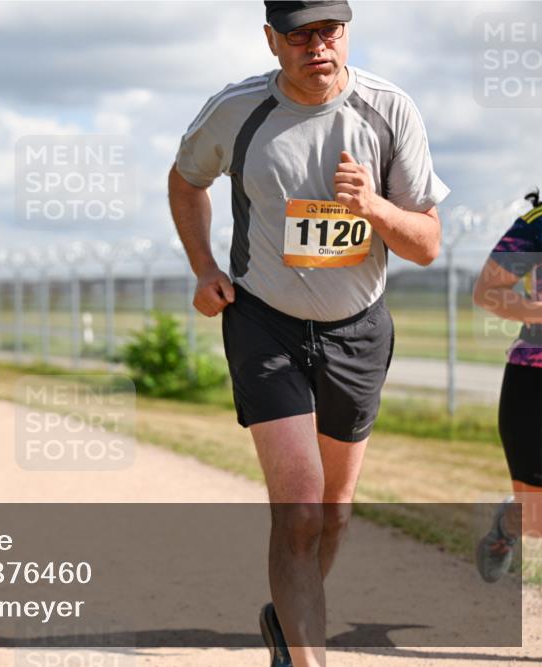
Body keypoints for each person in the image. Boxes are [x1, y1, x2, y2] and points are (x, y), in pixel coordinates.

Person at [168, 2, 448, 665]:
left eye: (330, 30)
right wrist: (204, 268)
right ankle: (307, 654)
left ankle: (288, 614)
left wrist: (373, 206)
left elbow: (429, 244)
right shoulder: (236, 111)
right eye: (299, 33)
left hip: (358, 328)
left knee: (334, 507)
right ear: (272, 40)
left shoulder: (389, 108)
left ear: (346, 33)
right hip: (266, 321)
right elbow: (185, 183)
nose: (317, 45)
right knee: (298, 506)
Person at [473, 188, 542, 582]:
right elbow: (488, 292)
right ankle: (508, 527)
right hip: (534, 378)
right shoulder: (537, 227)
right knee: (535, 520)